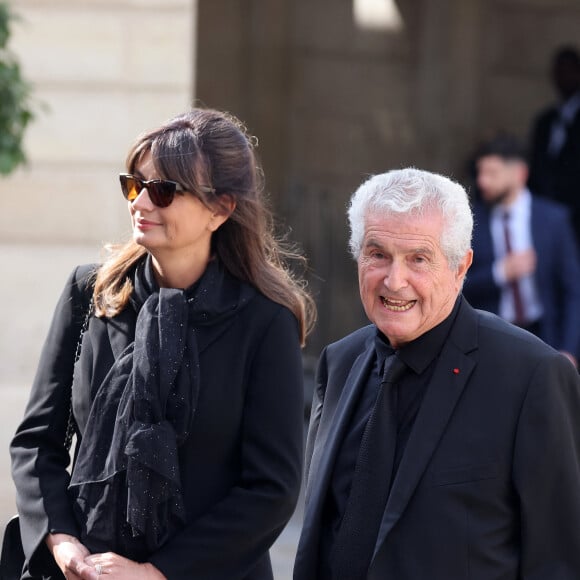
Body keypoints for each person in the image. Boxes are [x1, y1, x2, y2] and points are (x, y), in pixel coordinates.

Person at [10, 107, 316, 580]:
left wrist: (157, 573)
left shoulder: (264, 321)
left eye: (163, 191)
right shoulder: (90, 295)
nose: (140, 203)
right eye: (134, 185)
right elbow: (37, 443)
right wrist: (61, 539)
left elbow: (270, 490)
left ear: (221, 209)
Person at [293, 168, 580, 580]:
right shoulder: (340, 362)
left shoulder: (532, 376)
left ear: (461, 267)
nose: (395, 280)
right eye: (377, 254)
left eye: (418, 259)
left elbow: (560, 563)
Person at [463, 134, 580, 367]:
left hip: (545, 336)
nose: (483, 182)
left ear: (519, 174)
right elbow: (456, 285)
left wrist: (568, 349)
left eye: (492, 173)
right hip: (490, 339)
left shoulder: (553, 219)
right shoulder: (470, 221)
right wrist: (499, 273)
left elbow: (573, 291)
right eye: (481, 173)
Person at [529, 45, 580, 246]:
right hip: (546, 209)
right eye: (558, 71)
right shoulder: (546, 120)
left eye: (569, 71)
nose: (563, 77)